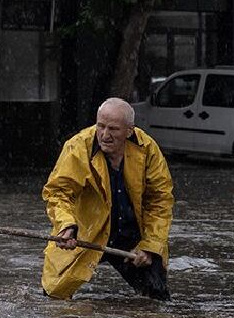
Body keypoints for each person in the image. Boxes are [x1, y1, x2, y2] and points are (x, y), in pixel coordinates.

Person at [41, 97, 174, 300]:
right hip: (86, 233)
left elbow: (160, 201)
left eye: (113, 129)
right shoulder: (78, 147)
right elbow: (58, 192)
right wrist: (66, 225)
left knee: (157, 300)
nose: (105, 135)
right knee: (54, 297)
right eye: (100, 126)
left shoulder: (147, 149)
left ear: (129, 131)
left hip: (132, 237)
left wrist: (151, 245)